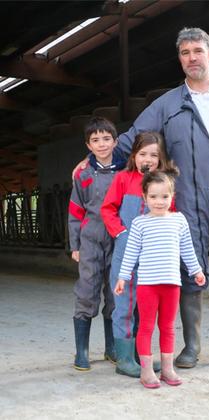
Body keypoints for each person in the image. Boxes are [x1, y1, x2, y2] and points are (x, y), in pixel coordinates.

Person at [74, 27, 209, 370]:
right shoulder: (167, 104)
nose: (192, 58)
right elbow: (132, 140)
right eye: (185, 53)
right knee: (187, 271)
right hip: (187, 201)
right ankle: (191, 347)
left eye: (198, 51)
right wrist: (96, 160)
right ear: (180, 60)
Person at [115, 169, 206, 389]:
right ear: (145, 197)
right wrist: (122, 277)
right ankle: (146, 372)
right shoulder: (139, 223)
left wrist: (196, 270)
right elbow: (131, 253)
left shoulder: (179, 220)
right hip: (147, 286)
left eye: (164, 196)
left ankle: (167, 369)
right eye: (153, 197)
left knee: (168, 327)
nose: (159, 201)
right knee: (145, 327)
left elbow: (187, 249)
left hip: (172, 284)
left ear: (172, 196)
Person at [101, 131, 175, 377]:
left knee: (145, 307)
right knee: (124, 303)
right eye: (142, 153)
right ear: (134, 156)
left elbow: (171, 215)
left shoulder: (163, 183)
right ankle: (124, 359)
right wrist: (120, 233)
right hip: (126, 251)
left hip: (153, 256)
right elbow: (108, 208)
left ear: (160, 158)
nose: (148, 159)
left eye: (154, 155)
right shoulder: (124, 178)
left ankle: (139, 355)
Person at [68, 117, 127, 370]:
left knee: (116, 293)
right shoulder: (83, 174)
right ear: (88, 146)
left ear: (115, 141)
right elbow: (75, 211)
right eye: (95, 140)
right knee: (87, 291)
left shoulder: (127, 171)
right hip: (90, 238)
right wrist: (75, 245)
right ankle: (81, 351)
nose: (101, 144)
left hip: (118, 237)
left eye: (106, 139)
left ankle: (111, 348)